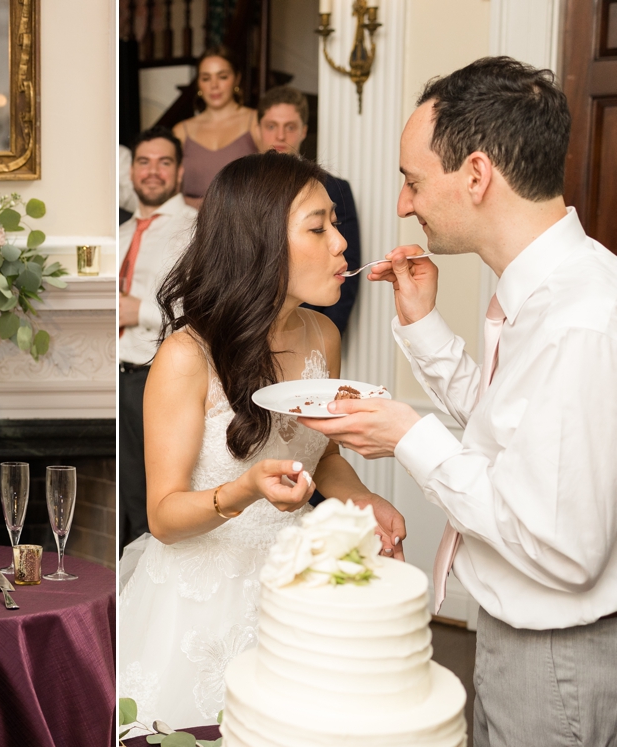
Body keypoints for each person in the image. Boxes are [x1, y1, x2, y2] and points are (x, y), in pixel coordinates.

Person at [302, 57, 617, 747]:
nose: (402, 205)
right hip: (524, 641)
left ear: (476, 175)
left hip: (556, 659)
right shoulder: (553, 291)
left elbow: (565, 547)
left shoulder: (580, 316)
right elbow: (517, 438)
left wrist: (408, 435)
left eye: (413, 181)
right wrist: (422, 325)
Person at [117, 152, 406, 728]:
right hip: (199, 597)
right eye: (319, 227)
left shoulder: (322, 334)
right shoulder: (186, 356)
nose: (341, 243)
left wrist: (362, 500)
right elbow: (165, 517)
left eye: (335, 224)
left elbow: (321, 453)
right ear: (262, 241)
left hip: (294, 584)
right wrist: (245, 488)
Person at [119, 127, 197, 553]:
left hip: (156, 378)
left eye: (164, 162)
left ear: (181, 171)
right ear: (131, 170)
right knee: (123, 501)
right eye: (143, 162)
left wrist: (140, 312)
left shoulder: (194, 229)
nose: (152, 171)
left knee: (153, 504)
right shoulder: (119, 233)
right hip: (114, 377)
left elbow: (206, 308)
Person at [258, 86, 361, 337]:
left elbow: (348, 263)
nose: (280, 135)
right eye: (271, 126)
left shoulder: (334, 188)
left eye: (290, 127)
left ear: (304, 130)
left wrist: (326, 338)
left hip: (309, 327)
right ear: (259, 128)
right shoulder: (240, 191)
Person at [172, 46, 262, 208]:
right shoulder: (181, 131)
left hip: (244, 225)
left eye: (222, 77)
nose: (214, 85)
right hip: (189, 226)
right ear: (198, 84)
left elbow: (275, 180)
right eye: (206, 78)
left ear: (236, 79)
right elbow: (170, 190)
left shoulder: (256, 121)